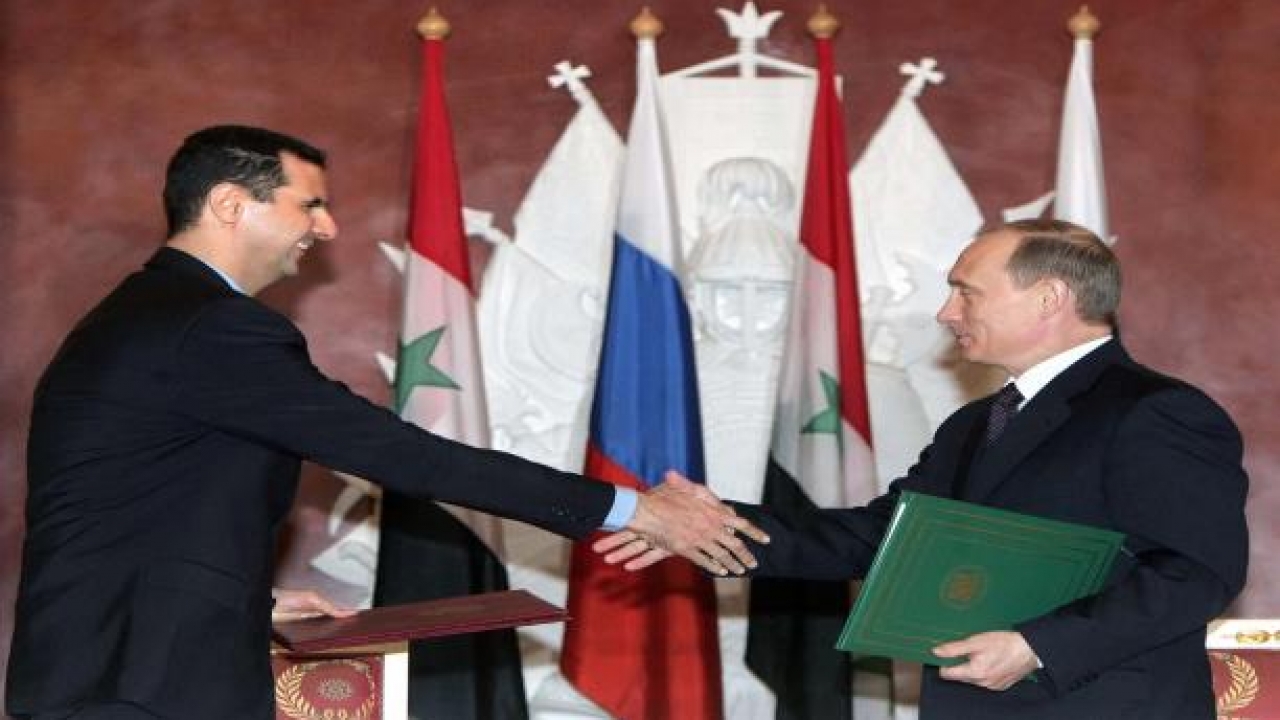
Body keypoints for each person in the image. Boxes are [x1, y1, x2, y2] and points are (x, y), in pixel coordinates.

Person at [5, 125, 766, 720]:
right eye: (309, 204)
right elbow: (398, 453)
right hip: (141, 687)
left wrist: (246, 601)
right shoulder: (212, 327)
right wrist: (631, 509)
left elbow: (132, 508)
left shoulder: (146, 316)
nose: (329, 226)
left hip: (113, 669)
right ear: (232, 204)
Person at [601, 219, 1249, 719]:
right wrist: (713, 526)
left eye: (966, 292)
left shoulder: (1155, 411)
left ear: (1049, 297)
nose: (946, 313)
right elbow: (879, 538)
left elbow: (1195, 573)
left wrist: (1037, 646)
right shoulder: (975, 424)